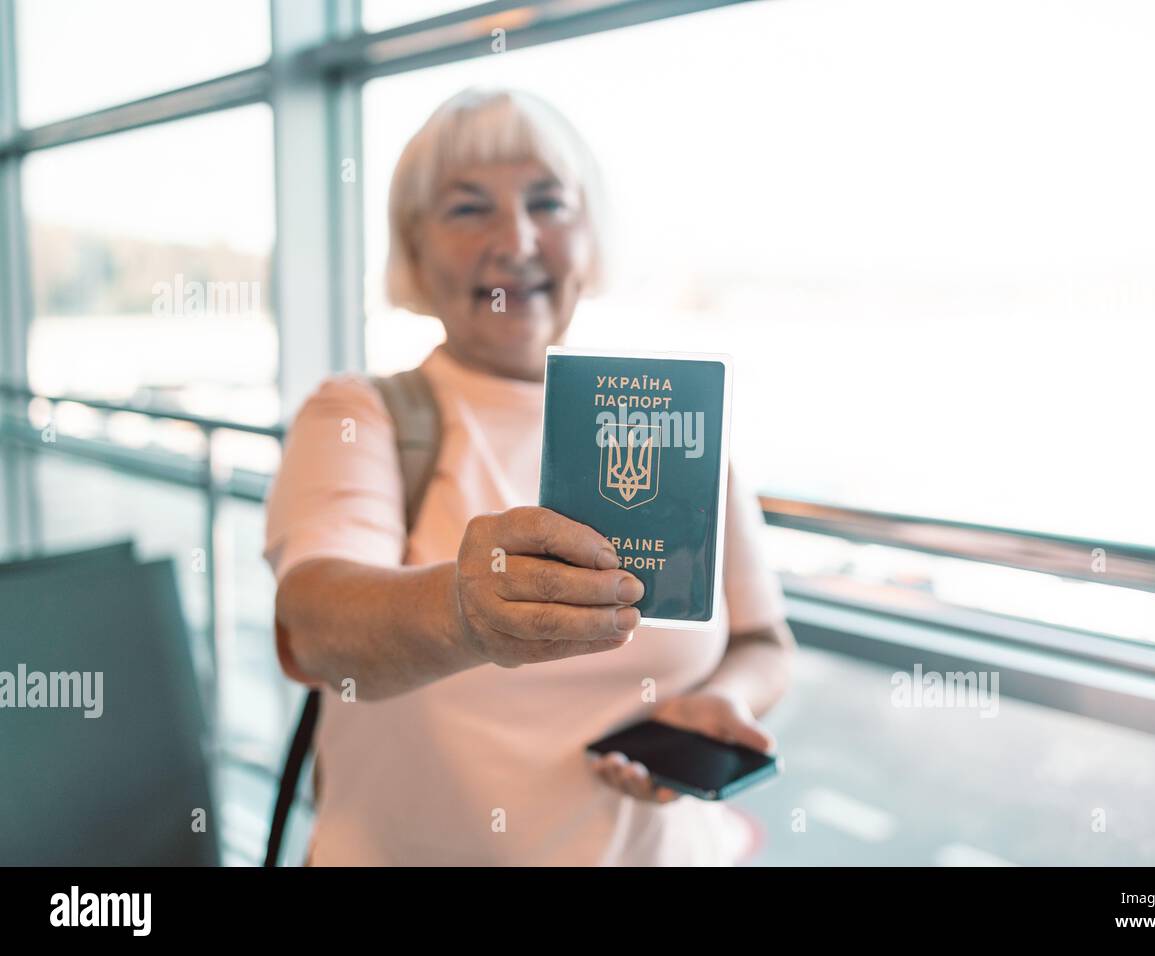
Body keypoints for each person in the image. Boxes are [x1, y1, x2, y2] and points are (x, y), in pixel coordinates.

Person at [263, 87, 795, 865]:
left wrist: (723, 700)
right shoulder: (363, 415)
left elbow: (764, 640)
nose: (516, 241)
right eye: (467, 209)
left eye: (548, 203)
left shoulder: (675, 419)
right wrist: (463, 613)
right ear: (414, 247)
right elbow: (314, 626)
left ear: (591, 234)